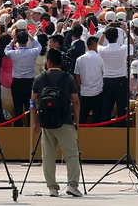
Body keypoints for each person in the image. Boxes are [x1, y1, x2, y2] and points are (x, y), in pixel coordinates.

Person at [32, 47, 84, 198]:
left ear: (48, 62)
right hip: (65, 121)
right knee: (72, 154)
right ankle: (72, 184)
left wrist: (35, 121)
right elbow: (76, 101)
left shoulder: (40, 78)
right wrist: (77, 120)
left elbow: (32, 101)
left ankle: (52, 187)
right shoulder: (68, 78)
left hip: (46, 122)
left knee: (48, 156)